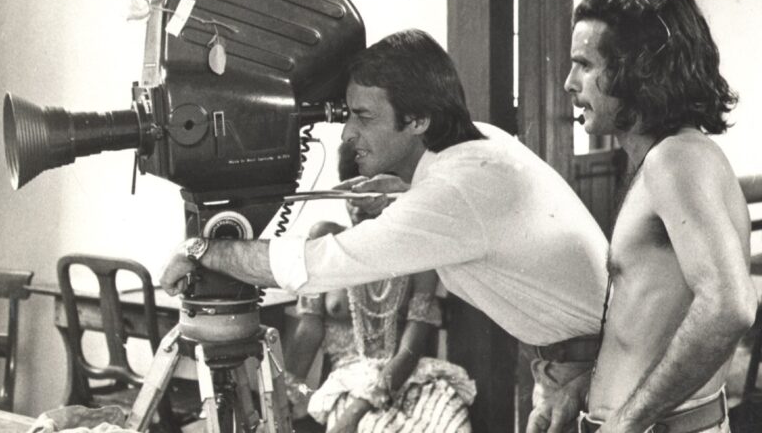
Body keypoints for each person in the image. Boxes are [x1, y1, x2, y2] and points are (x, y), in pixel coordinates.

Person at [161, 28, 610, 431]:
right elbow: (465, 207)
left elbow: (314, 265)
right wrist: (404, 190)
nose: (347, 134)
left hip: (599, 365)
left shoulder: (452, 192)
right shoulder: (477, 143)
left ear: (418, 120)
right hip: (574, 359)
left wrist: (202, 249)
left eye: (364, 116)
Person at [564, 0, 758, 432]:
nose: (570, 83)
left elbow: (730, 306)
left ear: (637, 72)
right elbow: (649, 329)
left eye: (585, 65)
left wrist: (627, 422)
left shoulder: (675, 160)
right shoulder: (671, 157)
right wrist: (581, 391)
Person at [283, 143, 476, 432]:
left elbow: (412, 347)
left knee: (452, 421)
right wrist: (287, 396)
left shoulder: (420, 251)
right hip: (344, 382)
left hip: (408, 378)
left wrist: (359, 409)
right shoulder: (327, 238)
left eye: (370, 195)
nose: (358, 204)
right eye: (351, 194)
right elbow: (308, 332)